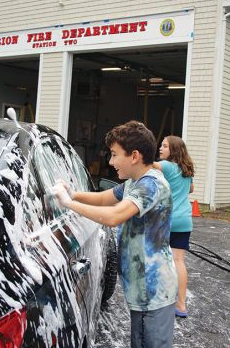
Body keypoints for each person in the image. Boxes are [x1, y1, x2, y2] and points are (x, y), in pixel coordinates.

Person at [52, 120, 178, 348]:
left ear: (134, 156)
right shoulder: (134, 182)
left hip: (154, 292)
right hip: (141, 291)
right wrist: (74, 193)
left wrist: (69, 204)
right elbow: (104, 197)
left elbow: (113, 216)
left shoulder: (151, 185)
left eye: (114, 154)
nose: (110, 162)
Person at [153, 136, 194, 318]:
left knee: (160, 259)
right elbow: (190, 189)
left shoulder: (168, 166)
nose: (160, 148)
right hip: (184, 220)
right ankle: (181, 305)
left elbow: (147, 164)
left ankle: (160, 300)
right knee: (178, 261)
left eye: (164, 146)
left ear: (174, 150)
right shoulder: (186, 169)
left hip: (168, 220)